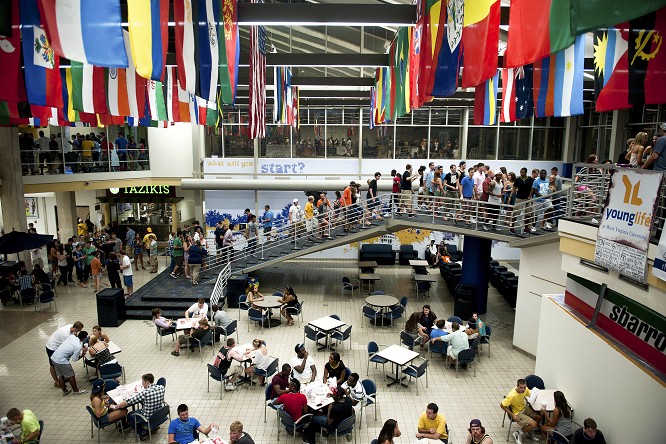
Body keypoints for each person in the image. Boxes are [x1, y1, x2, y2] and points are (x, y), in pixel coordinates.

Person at [110, 373, 166, 441]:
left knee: (130, 415)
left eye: (142, 382)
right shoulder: (161, 387)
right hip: (159, 413)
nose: (142, 384)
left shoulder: (145, 393)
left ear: (147, 382)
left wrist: (116, 406)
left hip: (149, 416)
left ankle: (142, 432)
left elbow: (128, 402)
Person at [500, 379, 543, 444]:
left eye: (524, 387)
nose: (523, 389)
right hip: (517, 413)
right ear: (517, 386)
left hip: (524, 408)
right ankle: (518, 433)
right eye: (521, 387)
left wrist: (534, 396)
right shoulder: (512, 396)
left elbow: (530, 395)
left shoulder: (525, 390)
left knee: (539, 417)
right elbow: (502, 405)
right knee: (534, 424)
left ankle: (529, 429)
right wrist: (512, 415)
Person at [51, 330, 89, 396]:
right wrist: (82, 355)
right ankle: (76, 391)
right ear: (84, 338)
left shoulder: (72, 337)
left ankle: (65, 391)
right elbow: (74, 359)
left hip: (54, 358)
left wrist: (81, 349)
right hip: (61, 361)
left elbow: (71, 345)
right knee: (71, 375)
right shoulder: (78, 346)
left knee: (60, 375)